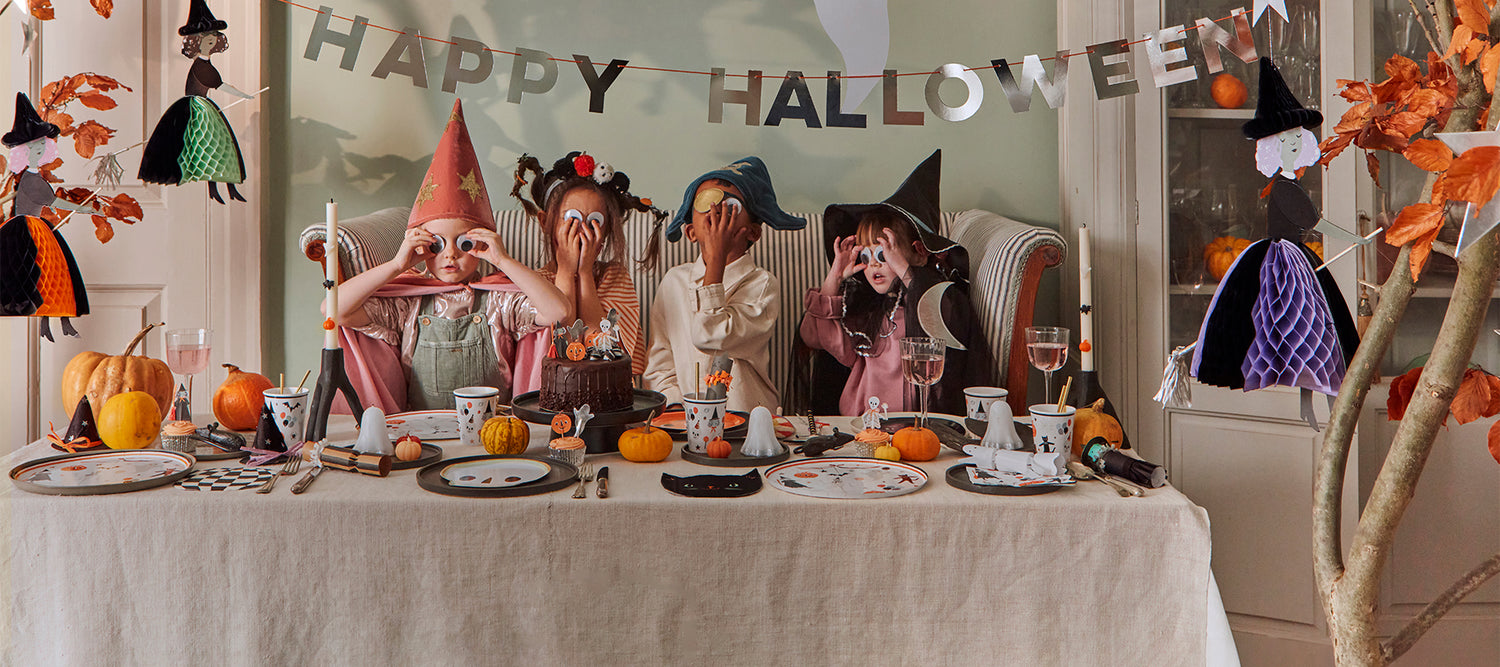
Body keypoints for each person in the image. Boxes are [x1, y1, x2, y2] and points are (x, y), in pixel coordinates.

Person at [331, 100, 568, 412]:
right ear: (421, 247)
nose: (451, 254)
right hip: (421, 431)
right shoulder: (407, 305)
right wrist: (396, 265)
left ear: (482, 244)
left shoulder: (500, 303)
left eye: (465, 243)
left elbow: (558, 312)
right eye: (437, 244)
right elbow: (334, 310)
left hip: (493, 430)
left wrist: (504, 261)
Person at [794, 150, 990, 417]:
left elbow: (946, 334)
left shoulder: (940, 300)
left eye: (885, 254)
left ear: (920, 252)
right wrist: (835, 278)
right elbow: (814, 337)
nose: (873, 264)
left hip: (915, 424)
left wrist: (906, 270)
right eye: (866, 256)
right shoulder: (872, 312)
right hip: (861, 423)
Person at [643, 157, 806, 411]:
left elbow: (710, 335)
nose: (715, 210)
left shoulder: (762, 285)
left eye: (730, 205)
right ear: (690, 232)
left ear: (753, 232)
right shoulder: (674, 282)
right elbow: (660, 362)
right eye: (705, 202)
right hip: (683, 421)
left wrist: (716, 259)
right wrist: (674, 405)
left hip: (746, 421)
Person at [510, 151, 662, 384]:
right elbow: (562, 352)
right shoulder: (533, 285)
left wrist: (583, 274)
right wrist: (565, 271)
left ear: (606, 232)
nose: (582, 232)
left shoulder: (615, 276)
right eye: (572, 220)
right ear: (545, 223)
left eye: (594, 223)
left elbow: (606, 352)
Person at [137, 0, 253, 204]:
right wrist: (244, 96)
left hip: (203, 106)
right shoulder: (201, 67)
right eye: (205, 40)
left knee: (217, 148)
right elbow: (220, 85)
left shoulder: (204, 64)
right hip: (198, 110)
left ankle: (227, 189)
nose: (210, 43)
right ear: (197, 42)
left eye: (212, 40)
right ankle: (217, 189)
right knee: (209, 147)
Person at [0, 93, 94, 341]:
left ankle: (57, 325)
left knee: (51, 276)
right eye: (33, 147)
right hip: (28, 230)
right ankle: (54, 324)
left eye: (42, 145)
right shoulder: (32, 181)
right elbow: (54, 201)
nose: (39, 150)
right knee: (42, 276)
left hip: (34, 226)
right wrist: (82, 208)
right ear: (23, 152)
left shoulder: (30, 178)